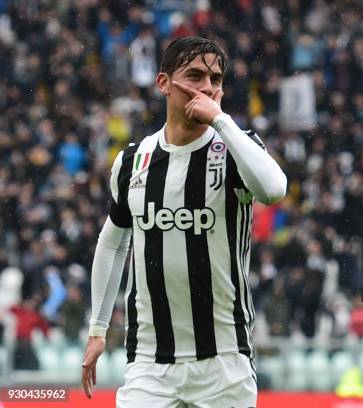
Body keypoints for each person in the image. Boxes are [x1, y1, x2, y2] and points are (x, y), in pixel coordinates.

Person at [81, 36, 287, 407]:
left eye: (216, 79)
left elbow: (273, 189)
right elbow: (113, 243)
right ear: (163, 84)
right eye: (194, 76)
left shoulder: (237, 149)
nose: (207, 88)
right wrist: (97, 328)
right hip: (149, 362)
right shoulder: (133, 161)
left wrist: (220, 121)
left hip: (224, 360)